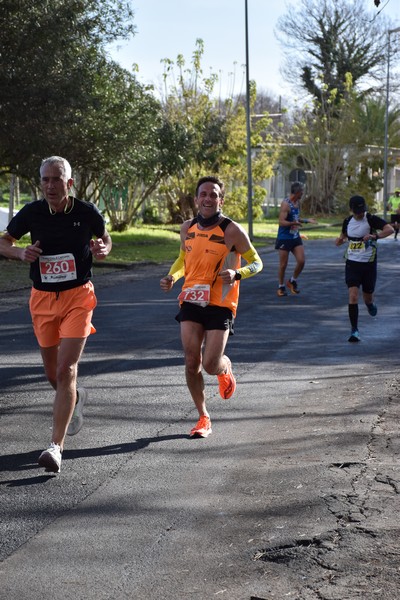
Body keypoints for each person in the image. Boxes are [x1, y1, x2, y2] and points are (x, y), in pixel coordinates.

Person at [0, 156, 112, 473]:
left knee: (66, 369)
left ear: (69, 183)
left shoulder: (86, 212)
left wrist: (104, 249)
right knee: (53, 375)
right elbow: (3, 241)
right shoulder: (32, 212)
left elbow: (106, 239)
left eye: (57, 179)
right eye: (45, 179)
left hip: (79, 296)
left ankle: (55, 447)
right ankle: (73, 400)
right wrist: (19, 252)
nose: (50, 185)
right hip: (43, 299)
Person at [160, 176, 263, 438]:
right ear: (196, 199)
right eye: (203, 194)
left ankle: (224, 367)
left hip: (221, 303)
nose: (208, 199)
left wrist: (237, 273)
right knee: (191, 359)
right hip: (192, 299)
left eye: (213, 195)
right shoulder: (187, 228)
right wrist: (173, 276)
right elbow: (183, 259)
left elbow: (257, 263)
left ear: (221, 200)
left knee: (209, 364)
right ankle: (203, 416)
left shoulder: (232, 231)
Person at [335, 195, 393, 343]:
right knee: (353, 295)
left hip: (368, 264)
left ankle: (370, 304)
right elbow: (343, 236)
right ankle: (354, 330)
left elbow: (390, 229)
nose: (360, 213)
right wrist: (340, 240)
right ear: (351, 210)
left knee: (367, 296)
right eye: (357, 211)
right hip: (352, 263)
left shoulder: (370, 219)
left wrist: (375, 236)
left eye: (362, 210)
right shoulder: (347, 221)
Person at [275, 181, 317, 296]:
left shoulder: (297, 203)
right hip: (284, 238)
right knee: (283, 264)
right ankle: (281, 286)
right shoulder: (286, 204)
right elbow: (281, 222)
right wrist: (293, 223)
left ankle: (292, 281)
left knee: (301, 261)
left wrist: (307, 220)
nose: (303, 194)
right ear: (297, 192)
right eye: (302, 192)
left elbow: (297, 218)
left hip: (295, 236)